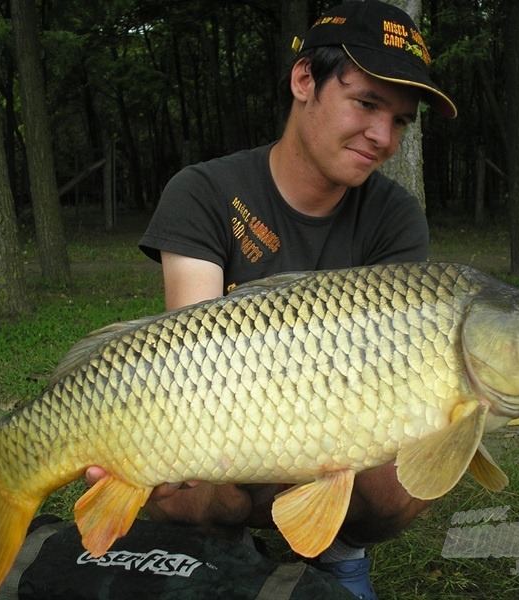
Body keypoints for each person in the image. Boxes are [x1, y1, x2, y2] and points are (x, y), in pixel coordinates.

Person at [87, 1, 456, 598]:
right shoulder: (204, 191)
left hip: (339, 436)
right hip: (223, 423)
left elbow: (397, 381)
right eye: (365, 103)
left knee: (405, 481)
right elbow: (191, 366)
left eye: (401, 121)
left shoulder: (393, 216)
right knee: (183, 487)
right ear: (304, 79)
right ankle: (223, 553)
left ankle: (337, 548)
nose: (383, 137)